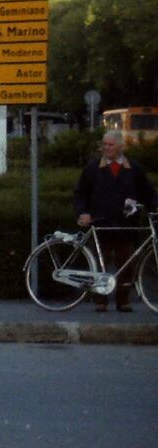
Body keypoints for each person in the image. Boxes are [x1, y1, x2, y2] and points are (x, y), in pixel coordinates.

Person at [73, 129, 156, 312]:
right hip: (101, 223)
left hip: (125, 225)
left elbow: (148, 193)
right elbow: (81, 193)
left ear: (120, 146)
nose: (106, 148)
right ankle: (100, 300)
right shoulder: (93, 168)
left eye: (110, 145)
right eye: (104, 144)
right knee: (100, 262)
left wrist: (153, 209)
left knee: (125, 262)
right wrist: (83, 213)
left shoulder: (134, 168)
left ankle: (123, 299)